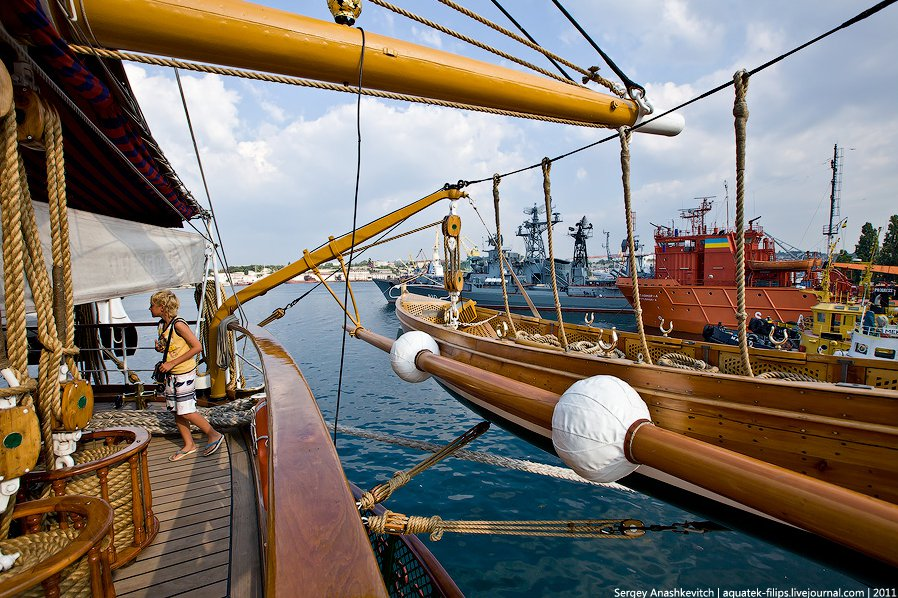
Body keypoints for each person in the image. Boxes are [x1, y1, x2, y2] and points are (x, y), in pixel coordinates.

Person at [150, 290, 223, 461]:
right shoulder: (162, 325)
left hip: (183, 374)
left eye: (152, 305)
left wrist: (172, 363)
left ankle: (214, 434)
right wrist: (161, 349)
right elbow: (172, 346)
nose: (149, 308)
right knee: (176, 410)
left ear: (162, 307)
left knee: (186, 410)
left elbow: (197, 347)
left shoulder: (178, 325)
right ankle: (189, 444)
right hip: (172, 374)